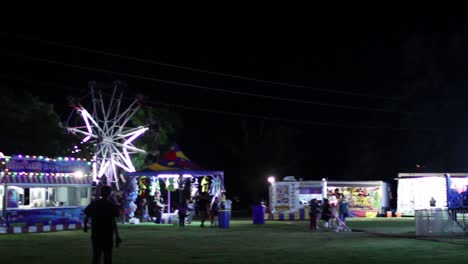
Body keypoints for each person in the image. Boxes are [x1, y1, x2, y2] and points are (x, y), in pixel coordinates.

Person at [84, 185, 122, 264]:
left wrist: (85, 226)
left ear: (101, 193)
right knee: (107, 256)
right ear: (109, 193)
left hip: (96, 233)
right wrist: (117, 235)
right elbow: (113, 220)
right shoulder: (111, 205)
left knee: (96, 256)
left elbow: (87, 215)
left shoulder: (94, 204)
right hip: (107, 234)